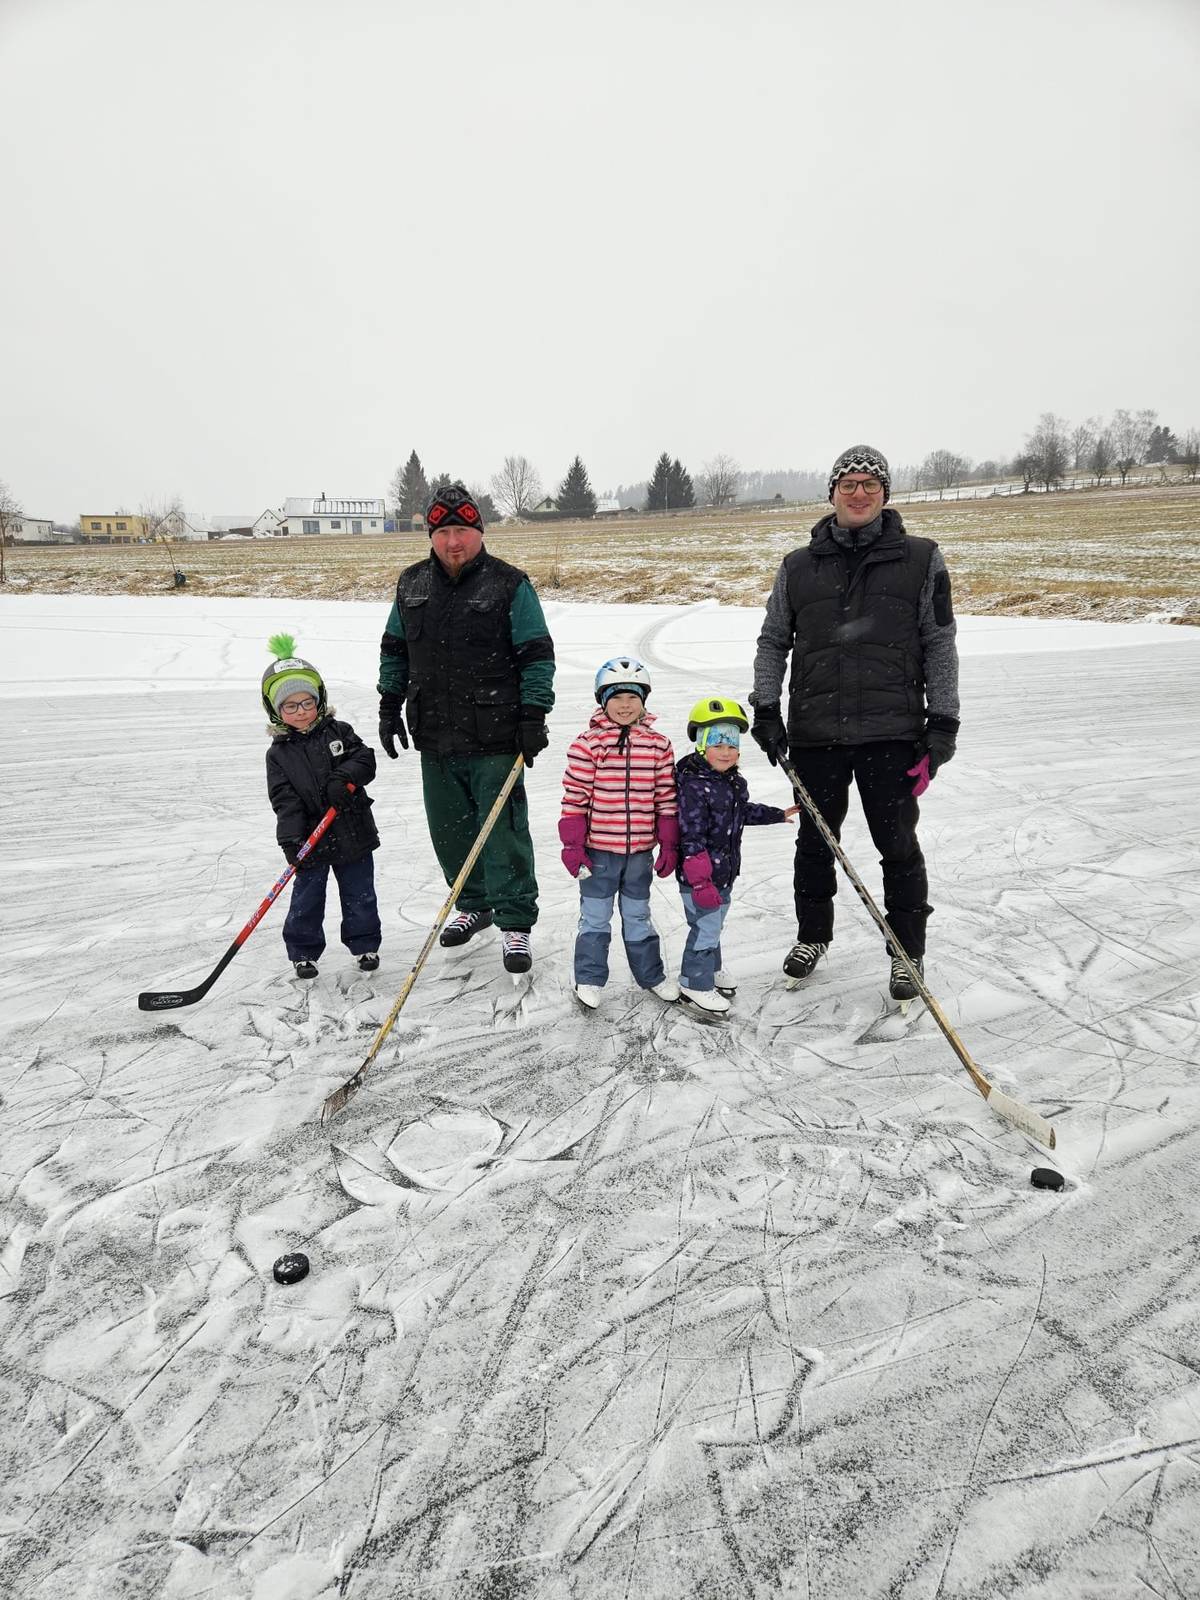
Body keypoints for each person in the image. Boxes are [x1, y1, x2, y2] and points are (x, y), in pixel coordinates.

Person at [749, 445, 960, 1000]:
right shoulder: (798, 565)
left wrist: (943, 724)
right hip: (816, 734)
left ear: (885, 493)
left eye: (870, 484)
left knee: (898, 845)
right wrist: (766, 708)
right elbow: (773, 641)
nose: (859, 493)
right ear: (832, 494)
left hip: (892, 734)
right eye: (849, 484)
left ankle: (906, 951)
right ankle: (813, 935)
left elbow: (939, 644)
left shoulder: (922, 558)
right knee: (816, 842)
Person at [376, 483, 555, 975]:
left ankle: (515, 921)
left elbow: (537, 654)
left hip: (496, 732)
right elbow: (394, 649)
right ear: (431, 535)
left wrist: (533, 715)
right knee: (450, 832)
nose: (454, 542)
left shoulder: (509, 584)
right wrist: (389, 705)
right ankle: (473, 903)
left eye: (463, 531)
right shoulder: (411, 584)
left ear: (479, 532)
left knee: (503, 832)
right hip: (434, 732)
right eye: (444, 532)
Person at [559, 656, 681, 1010]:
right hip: (598, 853)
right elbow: (575, 797)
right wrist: (572, 844)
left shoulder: (659, 745)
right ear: (602, 700)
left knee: (639, 917)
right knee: (595, 918)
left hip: (640, 853)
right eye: (616, 697)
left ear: (644, 700)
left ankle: (651, 976)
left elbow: (665, 796)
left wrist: (669, 841)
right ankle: (589, 977)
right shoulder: (588, 745)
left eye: (632, 697)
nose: (625, 706)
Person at [262, 634, 382, 980]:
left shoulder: (339, 731)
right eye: (290, 706)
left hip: (352, 830)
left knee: (359, 895)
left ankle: (364, 945)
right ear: (276, 710)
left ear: (320, 700)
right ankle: (303, 951)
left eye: (307, 702)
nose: (301, 711)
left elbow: (365, 759)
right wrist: (290, 840)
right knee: (306, 899)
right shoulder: (279, 754)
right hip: (310, 839)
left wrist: (341, 778)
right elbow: (284, 800)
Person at [674, 696, 798, 1015]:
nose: (726, 751)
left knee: (713, 927)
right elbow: (691, 836)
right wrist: (701, 881)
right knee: (705, 928)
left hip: (724, 873)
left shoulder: (732, 782)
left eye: (732, 745)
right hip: (700, 877)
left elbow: (741, 812)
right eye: (717, 744)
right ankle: (693, 982)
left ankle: (710, 971)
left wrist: (775, 814)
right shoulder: (693, 786)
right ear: (702, 746)